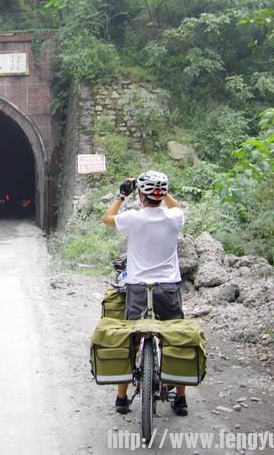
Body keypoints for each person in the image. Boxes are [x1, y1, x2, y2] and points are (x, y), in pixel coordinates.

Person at [101, 170, 189, 417]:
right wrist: (164, 191)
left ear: (141, 195)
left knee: (130, 338)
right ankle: (181, 399)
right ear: (162, 194)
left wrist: (121, 195)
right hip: (168, 288)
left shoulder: (133, 218)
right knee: (176, 339)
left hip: (138, 288)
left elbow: (106, 218)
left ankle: (121, 398)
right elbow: (177, 207)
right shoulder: (174, 217)